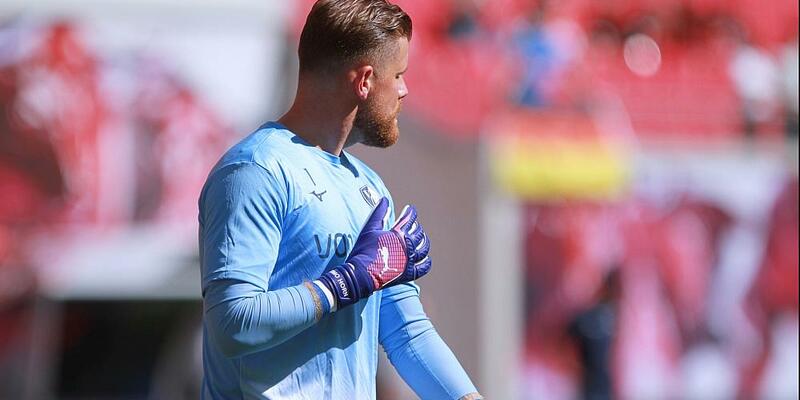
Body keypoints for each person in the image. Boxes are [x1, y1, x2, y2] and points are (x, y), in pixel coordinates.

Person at [197, 1, 482, 399]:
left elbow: (405, 331)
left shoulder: (369, 188)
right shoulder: (255, 170)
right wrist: (343, 284)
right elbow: (234, 324)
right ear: (365, 80)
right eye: (398, 74)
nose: (404, 90)